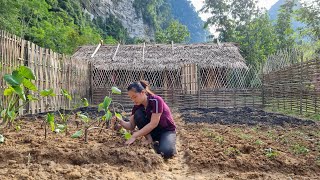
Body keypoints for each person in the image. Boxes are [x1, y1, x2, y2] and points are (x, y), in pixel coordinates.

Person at [115, 80, 177, 159]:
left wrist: (135, 135)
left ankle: (166, 144)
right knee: (138, 114)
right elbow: (131, 126)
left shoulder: (156, 100)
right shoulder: (136, 107)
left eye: (134, 97)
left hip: (166, 131)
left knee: (166, 153)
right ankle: (150, 139)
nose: (133, 100)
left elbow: (153, 123)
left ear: (143, 92)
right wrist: (120, 121)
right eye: (131, 98)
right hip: (151, 132)